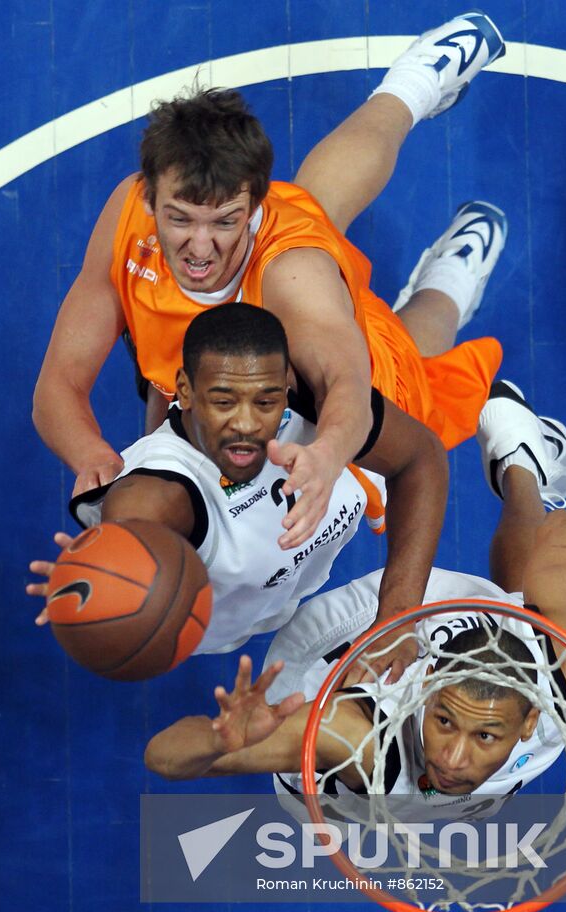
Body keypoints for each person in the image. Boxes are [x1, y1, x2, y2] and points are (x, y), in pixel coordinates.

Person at [32, 12, 509, 550]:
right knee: (318, 197)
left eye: (225, 221)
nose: (199, 246)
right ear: (149, 197)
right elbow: (58, 384)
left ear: (256, 206)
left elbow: (345, 385)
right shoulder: (129, 213)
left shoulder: (294, 271)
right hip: (204, 368)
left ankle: (449, 273)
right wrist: (93, 456)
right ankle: (415, 82)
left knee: (415, 362)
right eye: (180, 218)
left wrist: (328, 454)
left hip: (339, 363)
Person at [143, 381, 566, 809]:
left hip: (479, 640)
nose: (452, 759)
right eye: (444, 721)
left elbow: (565, 534)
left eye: (484, 737)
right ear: (429, 688)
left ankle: (521, 460)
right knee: (537, 604)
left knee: (535, 604)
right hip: (345, 649)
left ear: (529, 723)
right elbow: (162, 757)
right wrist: (222, 741)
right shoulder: (356, 741)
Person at [28, 301, 448, 674]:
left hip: (348, 466)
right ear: (187, 390)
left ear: (285, 385)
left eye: (266, 402)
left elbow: (420, 458)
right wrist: (105, 576)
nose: (246, 426)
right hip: (245, 598)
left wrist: (398, 618)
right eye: (224, 402)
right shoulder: (156, 495)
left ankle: (451, 273)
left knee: (421, 348)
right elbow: (140, 519)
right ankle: (155, 367)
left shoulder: (316, 394)